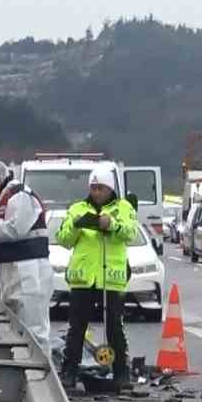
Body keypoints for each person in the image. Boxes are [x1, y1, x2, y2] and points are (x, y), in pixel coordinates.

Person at [55, 167, 139, 389]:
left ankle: (121, 373)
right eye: (93, 188)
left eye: (100, 188)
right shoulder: (77, 209)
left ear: (109, 188)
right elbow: (63, 239)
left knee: (114, 328)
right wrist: (76, 226)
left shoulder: (123, 208)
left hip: (111, 277)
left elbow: (130, 233)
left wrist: (110, 225)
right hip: (83, 278)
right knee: (76, 328)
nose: (96, 192)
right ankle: (69, 372)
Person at [0, 160, 55, 351]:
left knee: (33, 331)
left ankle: (41, 375)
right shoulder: (5, 200)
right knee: (17, 329)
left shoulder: (20, 196)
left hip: (29, 272)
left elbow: (13, 230)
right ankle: (25, 371)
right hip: (14, 271)